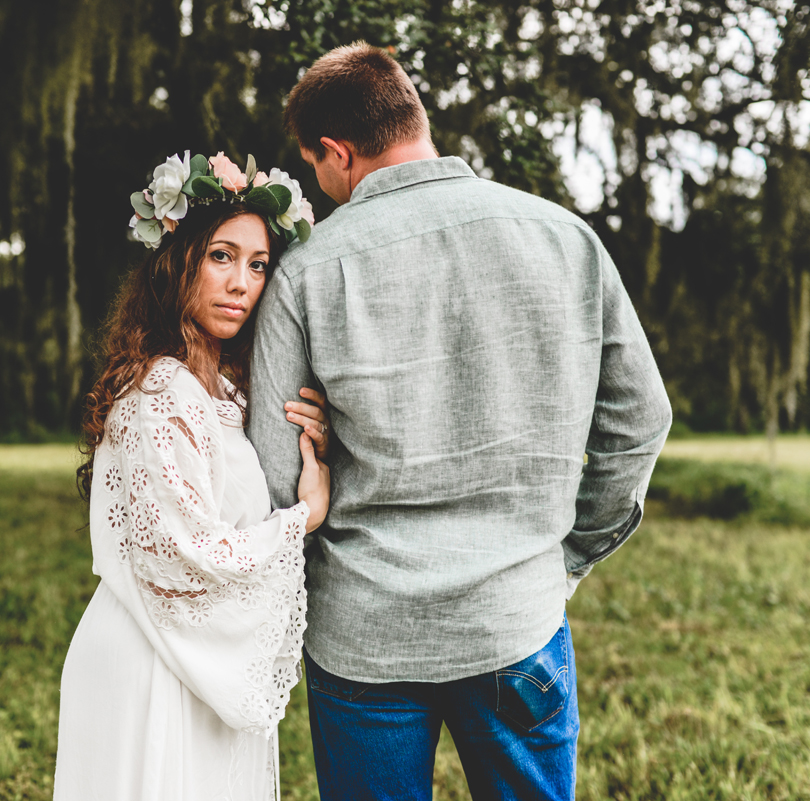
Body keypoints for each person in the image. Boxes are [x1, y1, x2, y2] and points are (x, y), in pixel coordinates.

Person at [247, 44, 673, 800]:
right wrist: (567, 557)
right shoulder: (564, 237)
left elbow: (277, 476)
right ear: (414, 118)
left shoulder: (307, 273)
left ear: (337, 153)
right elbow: (639, 418)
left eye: (317, 165)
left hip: (363, 637)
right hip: (516, 619)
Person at [54, 151, 329, 801]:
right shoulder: (159, 392)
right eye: (221, 256)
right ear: (178, 261)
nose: (242, 282)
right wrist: (305, 517)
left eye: (258, 265)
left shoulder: (222, 392)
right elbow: (191, 554)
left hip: (195, 661)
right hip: (154, 664)